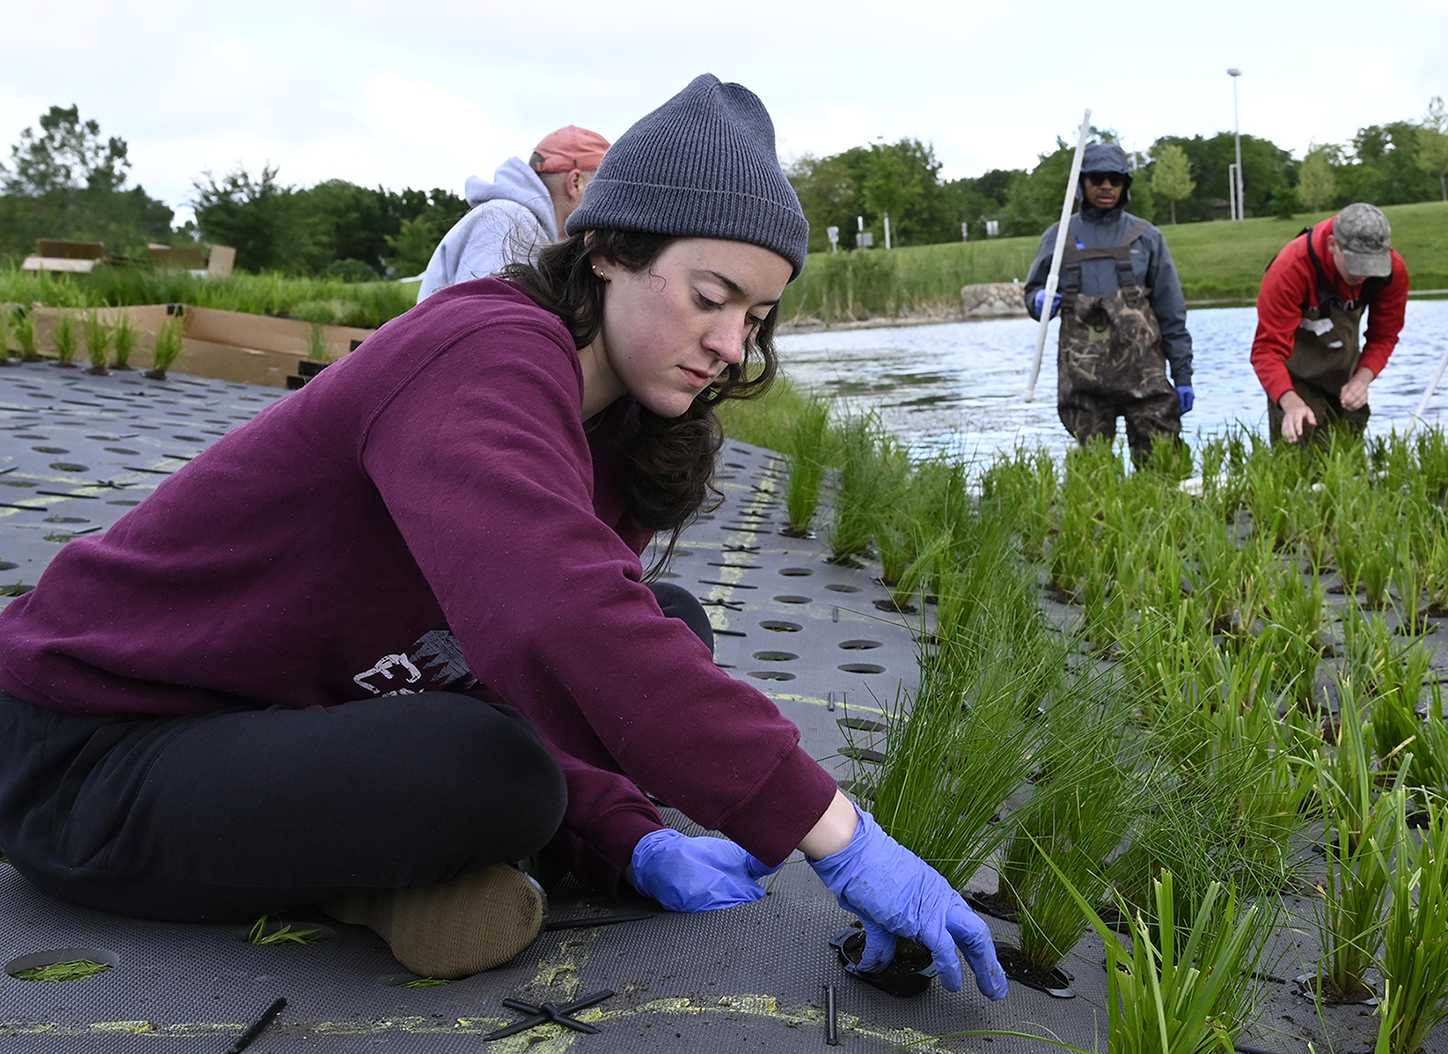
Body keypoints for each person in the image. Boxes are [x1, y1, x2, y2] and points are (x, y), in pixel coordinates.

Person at [0, 75, 1008, 998]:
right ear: (608, 249)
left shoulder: (621, 430)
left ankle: (389, 874)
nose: (729, 344)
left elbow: (516, 657)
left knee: (668, 624)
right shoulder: (480, 351)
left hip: (303, 715)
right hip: (93, 750)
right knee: (497, 769)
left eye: (755, 315)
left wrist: (630, 838)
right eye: (709, 298)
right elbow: (554, 615)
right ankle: (366, 886)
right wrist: (835, 833)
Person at [1023, 142, 1193, 461]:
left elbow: (1173, 316)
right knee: (1093, 477)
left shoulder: (1148, 238)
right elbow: (1032, 297)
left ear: (1125, 185)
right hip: (1082, 385)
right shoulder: (1058, 237)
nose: (1106, 186)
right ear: (1082, 183)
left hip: (1146, 381)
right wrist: (1039, 301)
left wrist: (1183, 376)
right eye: (1097, 178)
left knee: (1163, 465)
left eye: (1115, 179)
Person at [1251, 202, 1409, 446]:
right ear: (1333, 245)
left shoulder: (1391, 271)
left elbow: (1384, 336)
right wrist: (1290, 402)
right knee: (1299, 452)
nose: (1363, 275)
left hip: (1345, 374)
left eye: (1372, 266)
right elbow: (1266, 351)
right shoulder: (1290, 268)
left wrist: (1362, 379)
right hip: (1294, 378)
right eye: (1356, 265)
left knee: (1347, 462)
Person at [414, 125, 612, 303]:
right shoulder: (507, 221)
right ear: (575, 182)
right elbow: (487, 326)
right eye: (602, 188)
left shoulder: (524, 225)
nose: (607, 204)